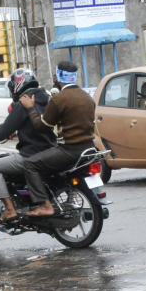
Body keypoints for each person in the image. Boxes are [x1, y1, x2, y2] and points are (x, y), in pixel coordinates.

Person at [0, 68, 54, 221]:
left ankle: (10, 209)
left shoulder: (24, 102)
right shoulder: (46, 97)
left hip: (32, 153)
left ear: (17, 84)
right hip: (50, 150)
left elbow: (2, 131)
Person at [22, 61, 96, 218]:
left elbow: (42, 126)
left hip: (69, 150)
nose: (54, 77)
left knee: (29, 164)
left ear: (59, 76)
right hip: (89, 149)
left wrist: (30, 108)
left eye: (55, 74)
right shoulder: (87, 98)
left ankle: (44, 205)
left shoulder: (60, 99)